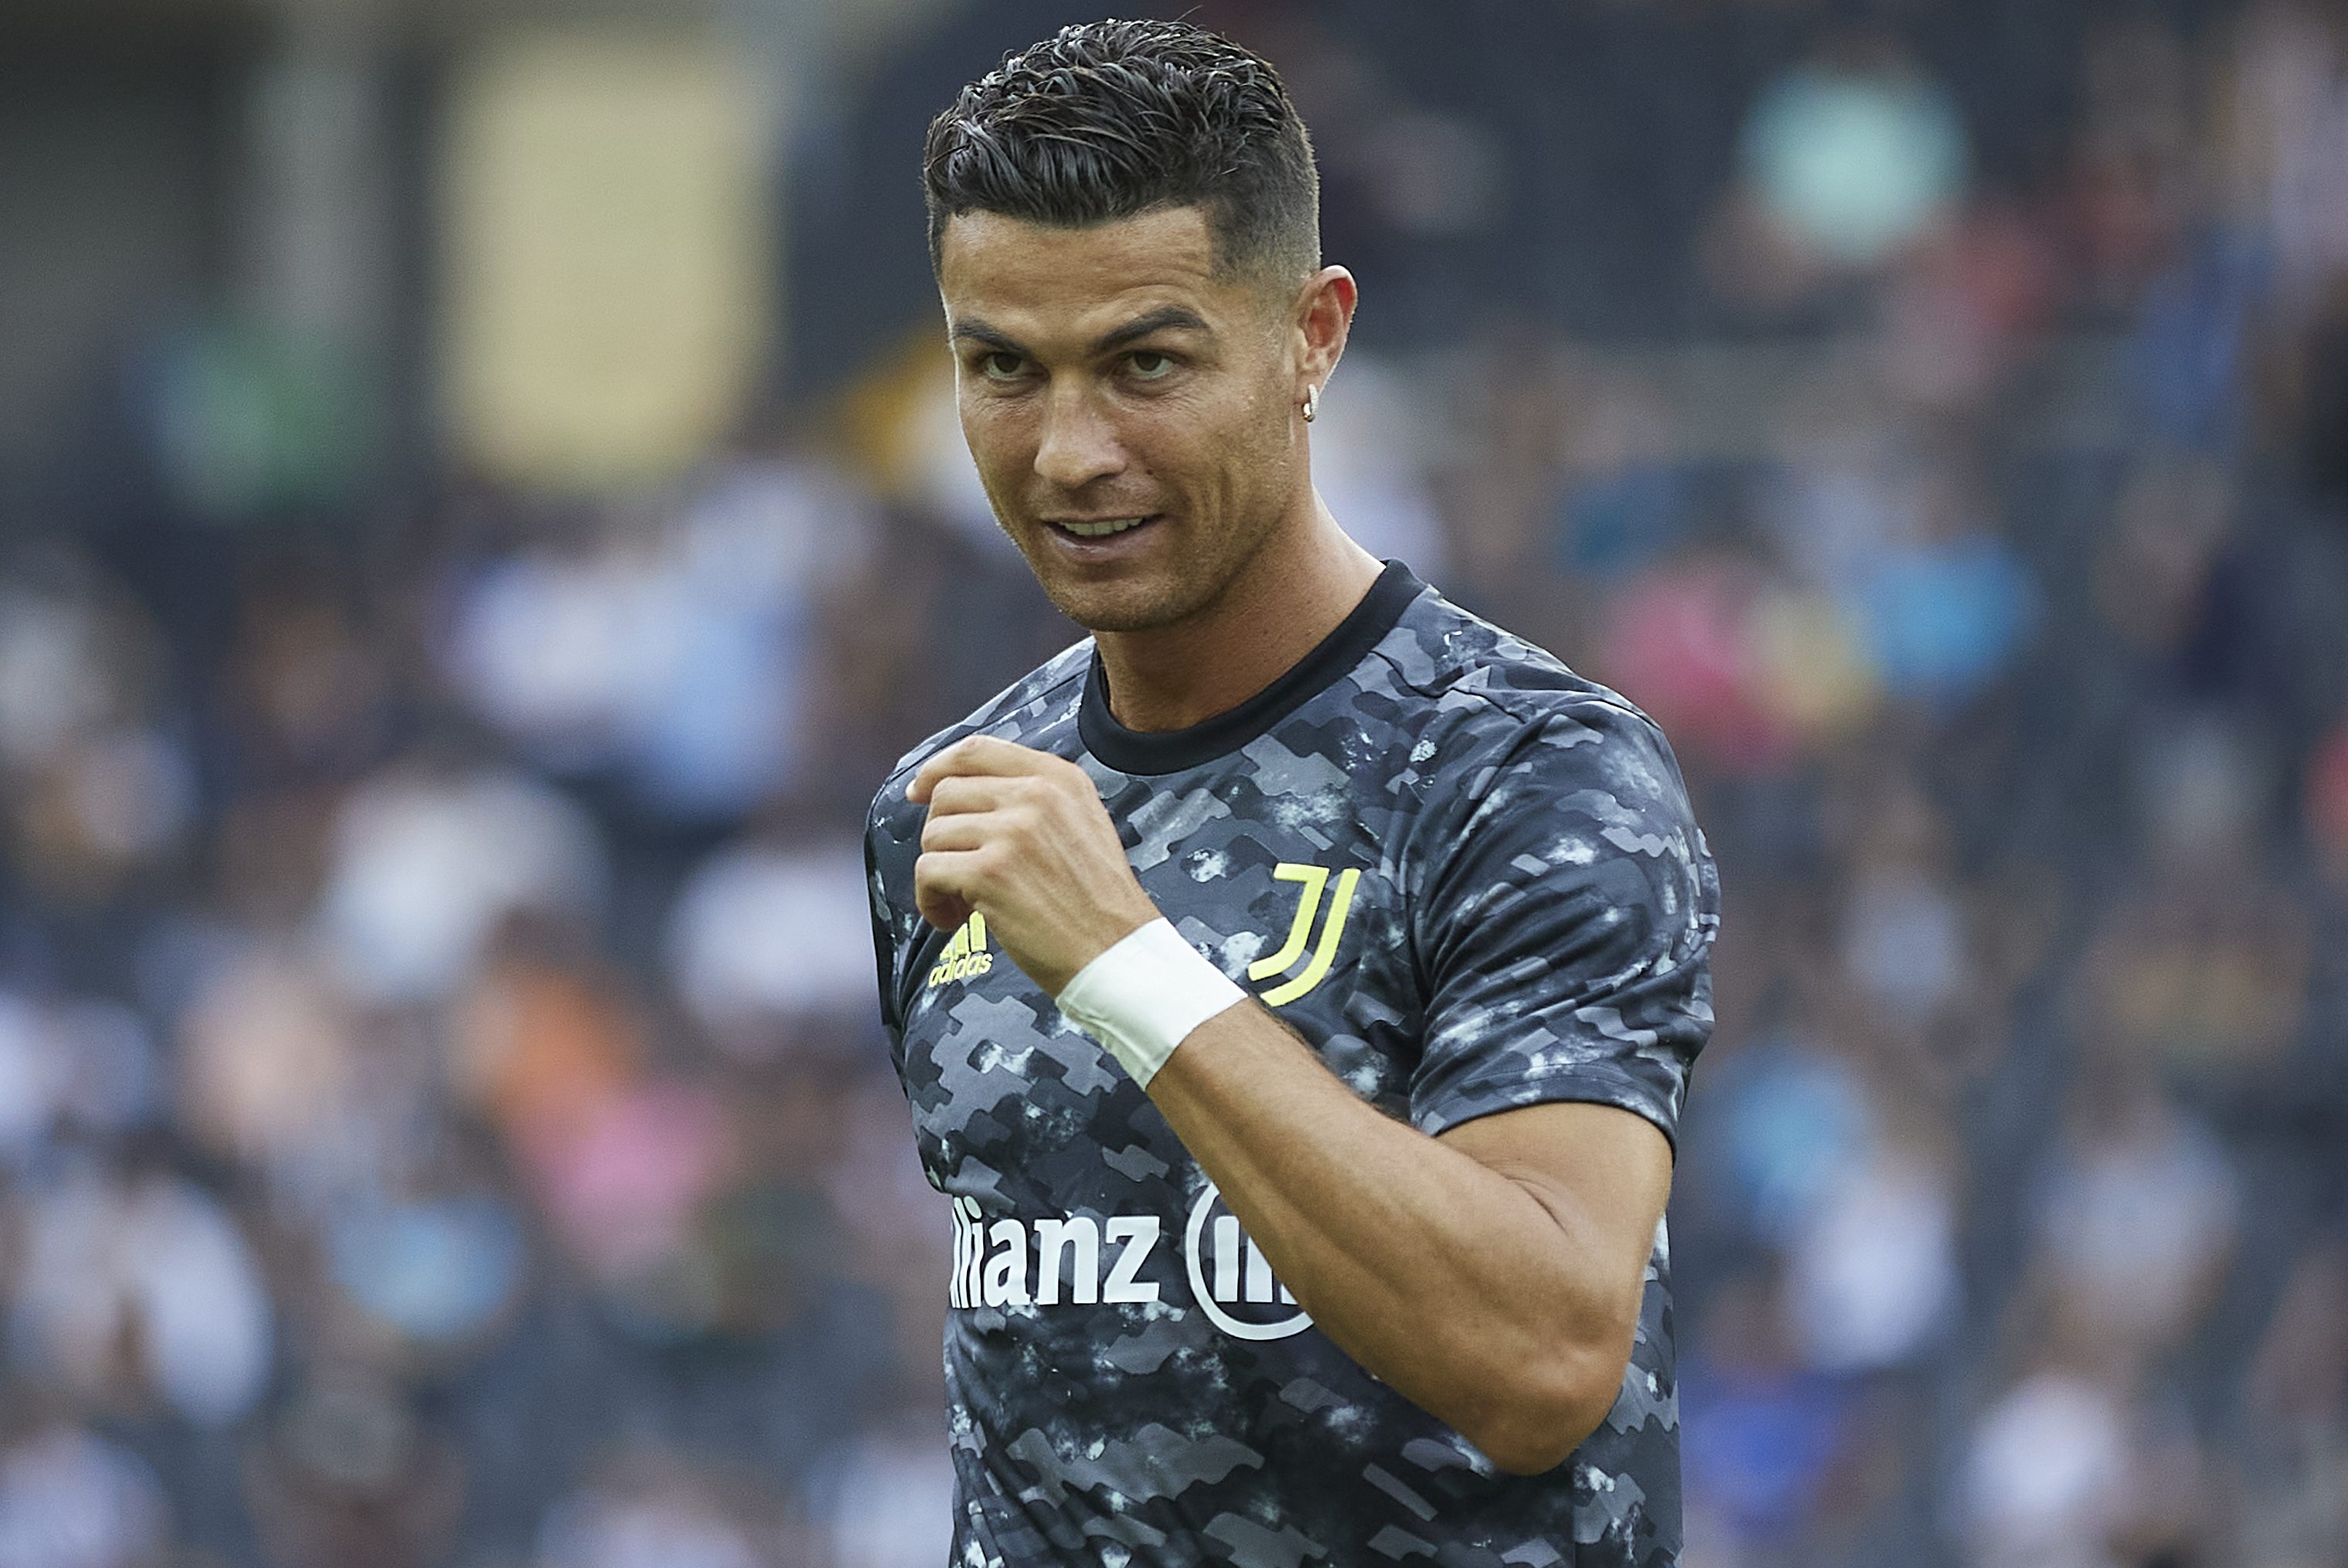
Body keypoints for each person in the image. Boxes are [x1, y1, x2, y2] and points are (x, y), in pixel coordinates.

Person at [863, 20, 1719, 1566]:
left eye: (1146, 364)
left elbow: (1543, 1361)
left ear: (1312, 337)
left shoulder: (1524, 773)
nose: (1069, 452)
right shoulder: (948, 810)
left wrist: (1124, 961)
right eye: (1004, 369)